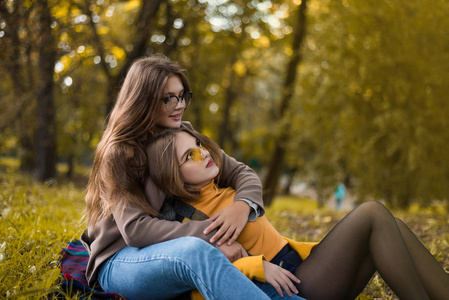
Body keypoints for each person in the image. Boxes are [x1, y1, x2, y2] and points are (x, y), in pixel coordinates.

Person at [146, 127, 449, 300]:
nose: (204, 153)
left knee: (389, 226)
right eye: (190, 155)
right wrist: (256, 267)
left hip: (301, 269)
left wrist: (242, 206)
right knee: (372, 214)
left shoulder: (226, 192)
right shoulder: (188, 221)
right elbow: (199, 280)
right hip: (286, 288)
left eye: (199, 144)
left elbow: (253, 193)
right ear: (174, 176)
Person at [80, 54, 279, 300]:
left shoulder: (183, 133)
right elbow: (135, 229)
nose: (180, 105)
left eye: (182, 95)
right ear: (142, 101)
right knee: (197, 251)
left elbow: (240, 172)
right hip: (122, 259)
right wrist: (214, 234)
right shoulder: (120, 152)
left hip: (170, 246)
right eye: (168, 98)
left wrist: (241, 206)